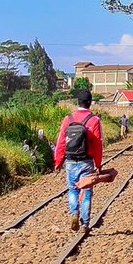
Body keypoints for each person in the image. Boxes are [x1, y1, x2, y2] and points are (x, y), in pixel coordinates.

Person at [54, 88, 104, 234]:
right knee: (86, 191)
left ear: (78, 102)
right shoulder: (94, 120)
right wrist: (99, 165)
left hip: (70, 162)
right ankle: (85, 224)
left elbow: (61, 143)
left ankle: (74, 213)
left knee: (72, 189)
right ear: (90, 103)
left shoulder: (68, 119)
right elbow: (97, 145)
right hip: (86, 162)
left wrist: (58, 162)